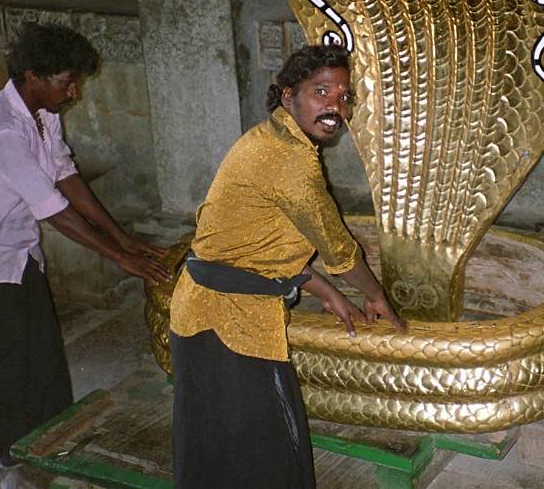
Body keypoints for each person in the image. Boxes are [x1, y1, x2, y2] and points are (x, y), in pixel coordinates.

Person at [0, 22, 172, 489]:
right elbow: (54, 211)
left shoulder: (43, 113)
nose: (74, 91)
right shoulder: (0, 128)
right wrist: (117, 257)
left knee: (42, 362)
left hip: (18, 256)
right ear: (31, 76)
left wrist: (122, 239)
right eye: (66, 81)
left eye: (76, 80)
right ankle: (11, 468)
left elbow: (65, 176)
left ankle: (58, 450)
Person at [169, 45, 407, 488]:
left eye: (343, 96)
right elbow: (338, 250)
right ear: (287, 96)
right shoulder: (291, 161)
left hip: (205, 311)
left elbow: (260, 247)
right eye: (321, 92)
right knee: (261, 457)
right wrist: (376, 296)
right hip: (228, 323)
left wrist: (328, 294)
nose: (335, 106)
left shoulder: (270, 138)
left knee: (221, 452)